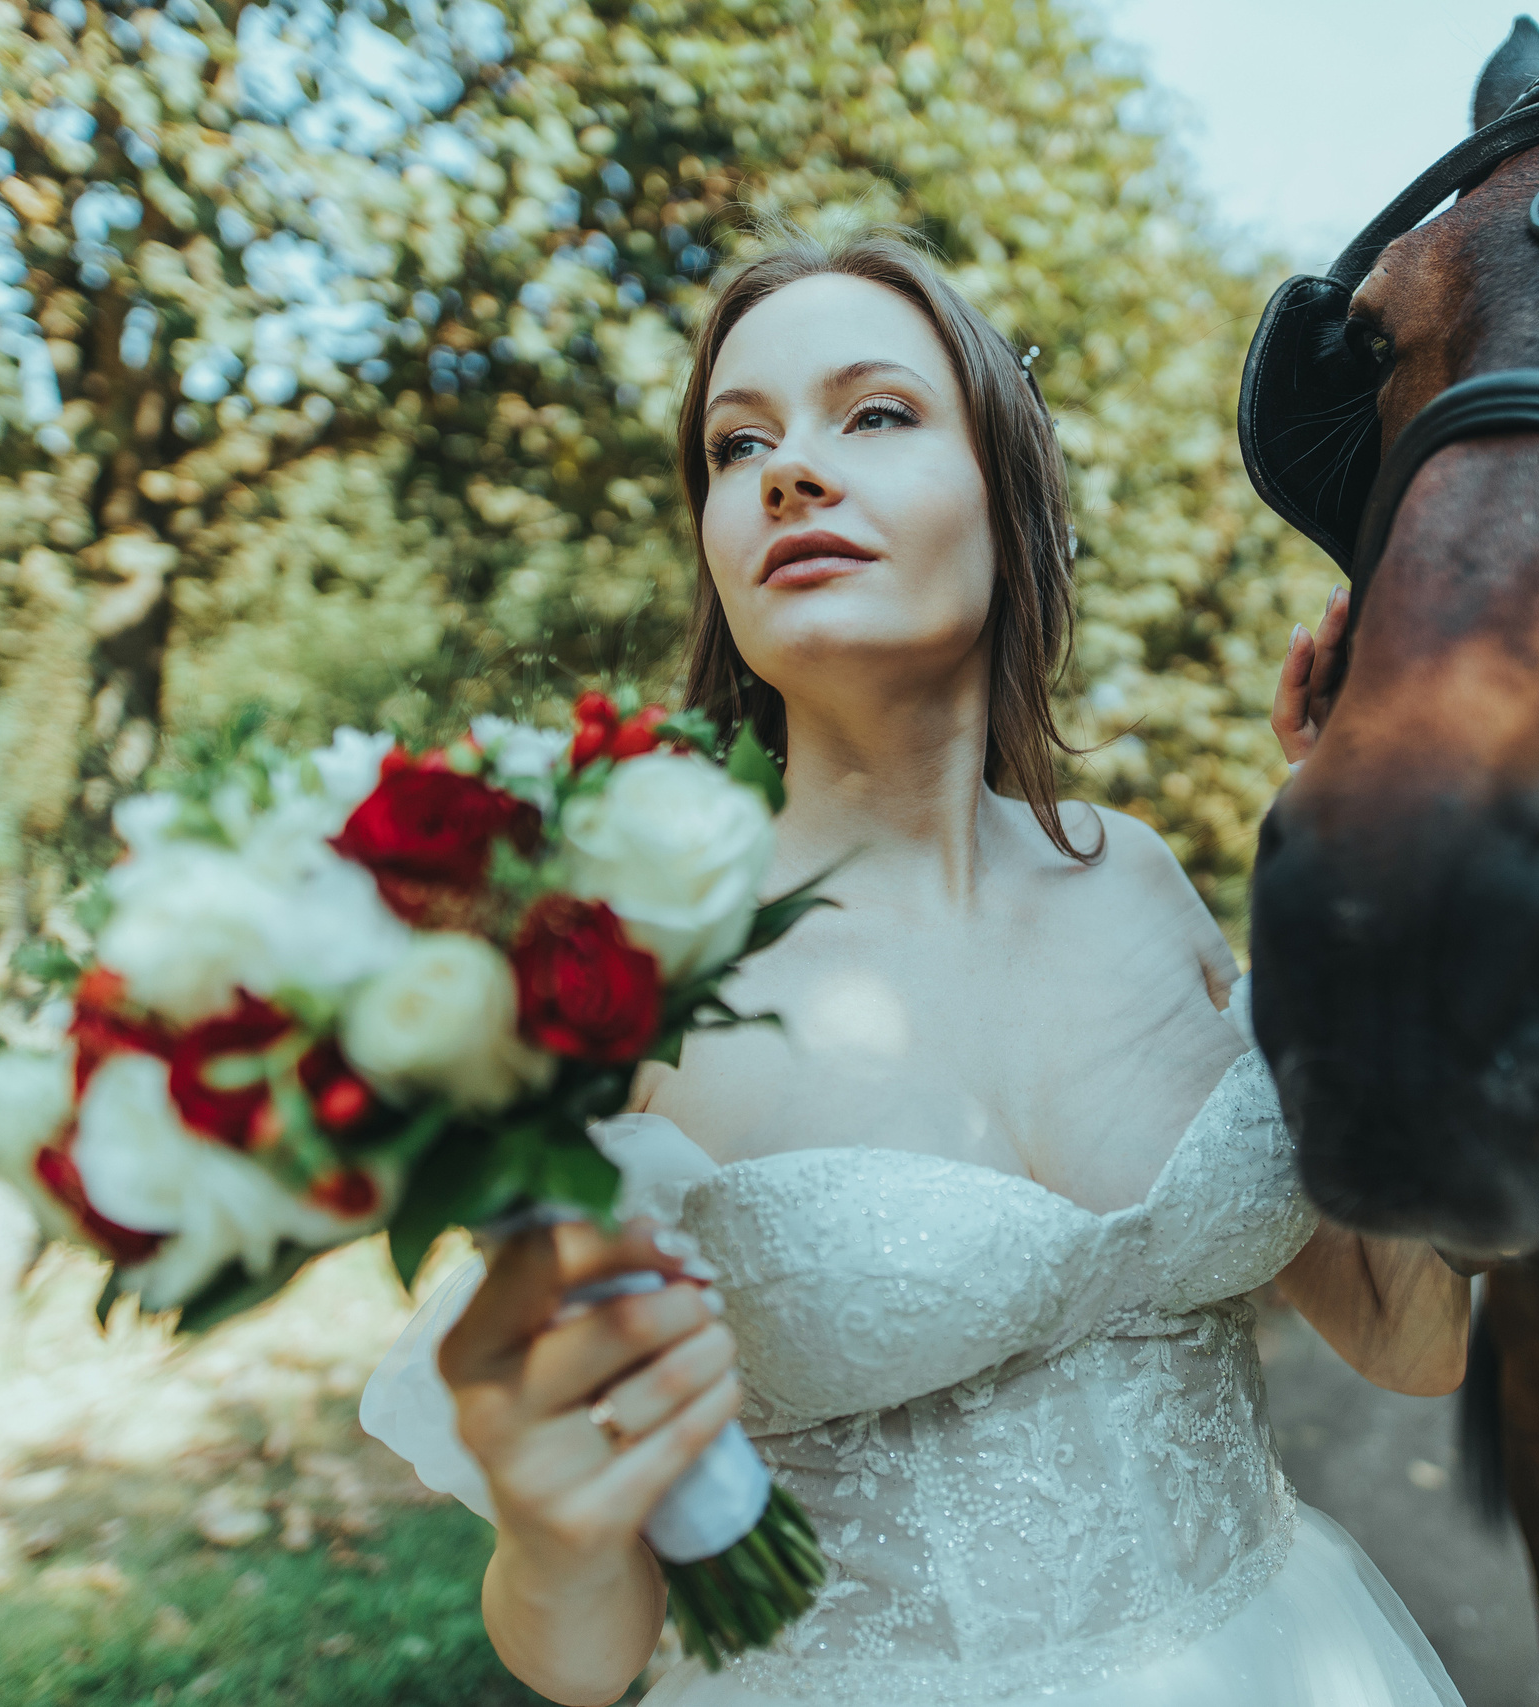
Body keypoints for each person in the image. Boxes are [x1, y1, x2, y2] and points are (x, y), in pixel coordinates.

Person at [360, 227, 1468, 1707]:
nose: (788, 472)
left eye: (874, 415)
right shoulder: (638, 979)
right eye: (735, 443)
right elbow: (587, 1650)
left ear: (1010, 501)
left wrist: (1352, 900)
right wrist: (556, 1530)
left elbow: (1411, 1339)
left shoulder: (1137, 879)